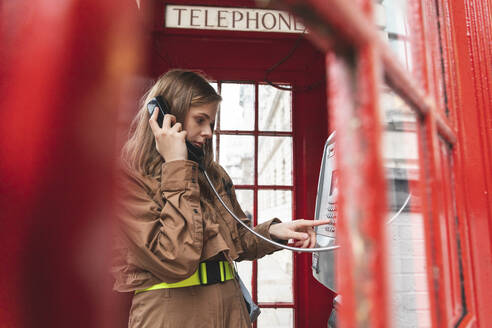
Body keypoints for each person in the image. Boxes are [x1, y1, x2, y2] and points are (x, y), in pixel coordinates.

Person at [112, 69, 329, 328]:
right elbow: (174, 259)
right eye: (200, 120)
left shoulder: (211, 174)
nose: (208, 132)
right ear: (166, 117)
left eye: (211, 123)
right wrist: (176, 165)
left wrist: (274, 232)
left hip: (229, 308)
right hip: (172, 314)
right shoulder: (130, 178)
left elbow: (236, 241)